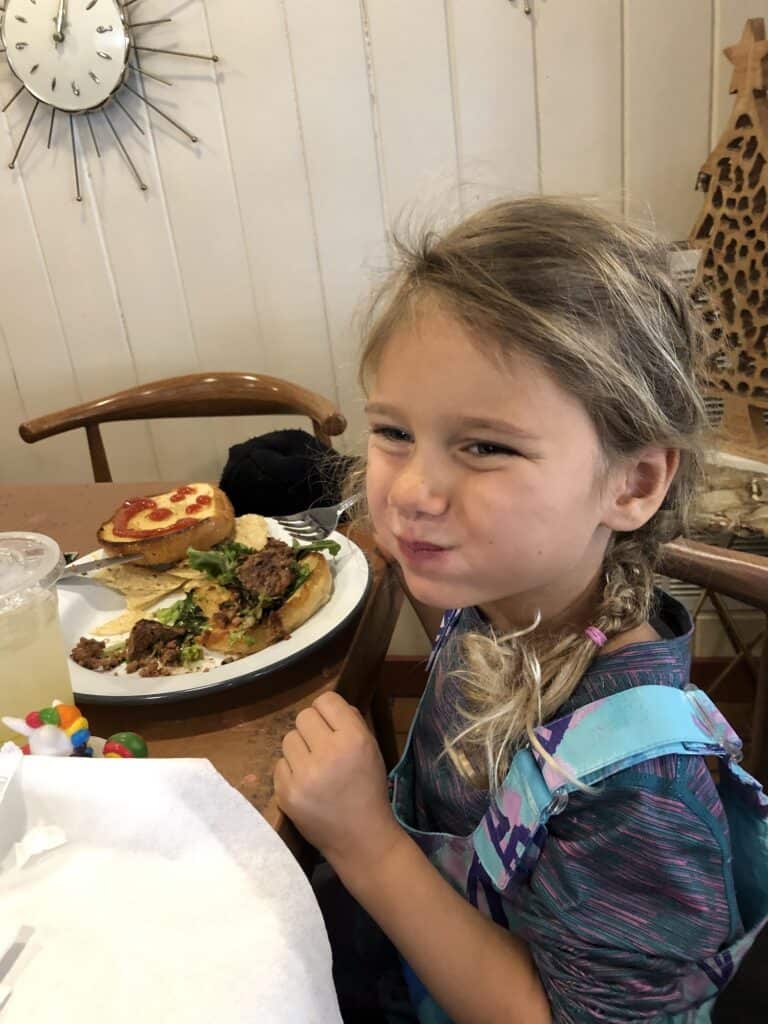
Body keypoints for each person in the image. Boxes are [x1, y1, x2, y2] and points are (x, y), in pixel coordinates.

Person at [273, 197, 766, 1023]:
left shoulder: (640, 790)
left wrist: (364, 841)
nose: (413, 492)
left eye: (486, 446)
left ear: (634, 483)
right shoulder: (497, 602)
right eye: (394, 431)